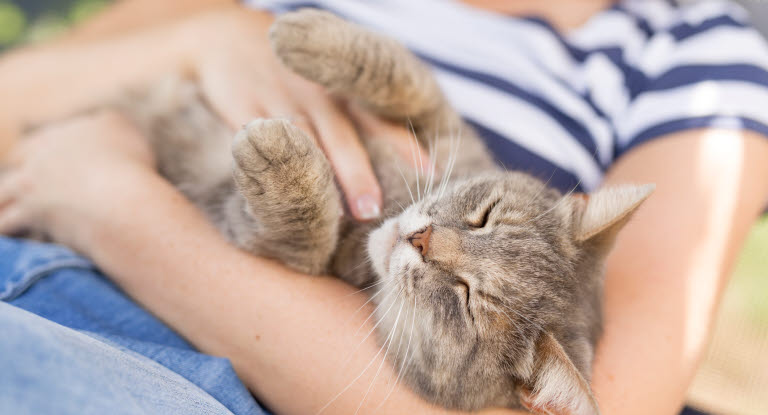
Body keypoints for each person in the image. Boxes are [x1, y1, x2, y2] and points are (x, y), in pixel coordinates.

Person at [1, 0, 767, 414]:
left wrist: (117, 210)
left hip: (177, 370)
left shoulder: (693, 61)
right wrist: (206, 34)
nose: (436, 240)